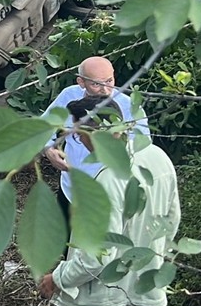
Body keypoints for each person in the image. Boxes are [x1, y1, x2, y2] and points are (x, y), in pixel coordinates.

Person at [37, 96, 180, 306]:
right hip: (140, 286)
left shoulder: (103, 181)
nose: (78, 141)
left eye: (79, 135)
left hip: (96, 297)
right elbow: (172, 220)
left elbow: (95, 257)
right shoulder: (157, 158)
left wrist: (56, 279)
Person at [41, 56, 150, 208]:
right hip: (70, 186)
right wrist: (48, 149)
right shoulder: (69, 96)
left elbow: (142, 144)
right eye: (95, 84)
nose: (105, 90)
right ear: (81, 82)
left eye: (109, 81)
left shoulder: (129, 106)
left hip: (108, 190)